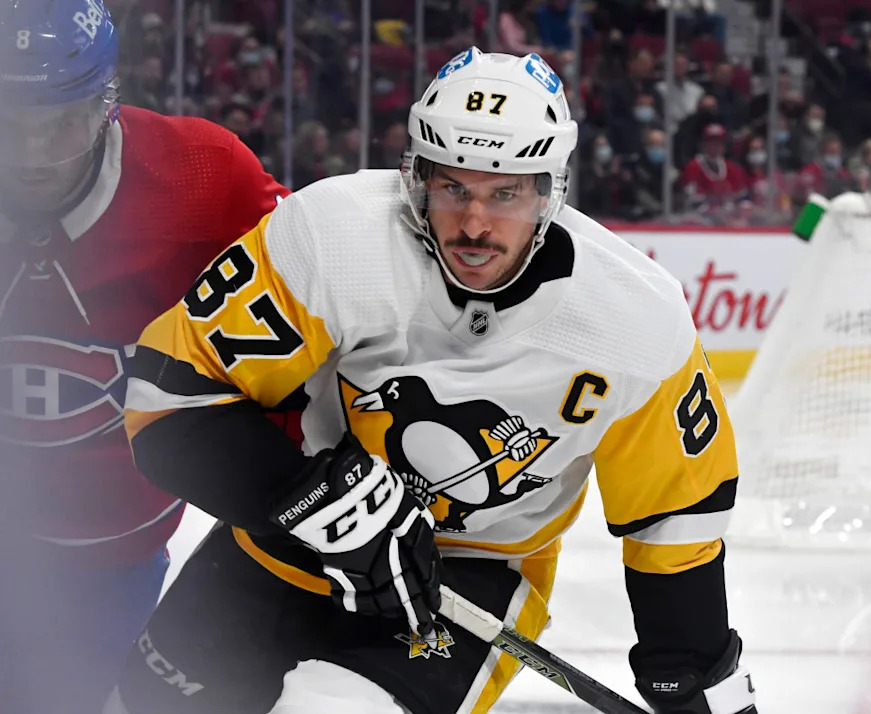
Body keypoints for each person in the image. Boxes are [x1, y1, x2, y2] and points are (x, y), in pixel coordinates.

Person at [109, 48, 758, 714]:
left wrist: (690, 676)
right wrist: (313, 498)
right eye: (454, 189)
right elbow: (167, 400)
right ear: (415, 177)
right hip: (293, 536)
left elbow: (675, 515)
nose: (475, 225)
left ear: (549, 191)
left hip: (473, 573)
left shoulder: (636, 320)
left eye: (505, 194)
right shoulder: (332, 236)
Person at [0, 2, 290, 712]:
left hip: (114, 553)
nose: (33, 154)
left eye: (59, 123)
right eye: (10, 124)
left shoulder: (203, 177)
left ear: (106, 104)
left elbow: (323, 294)